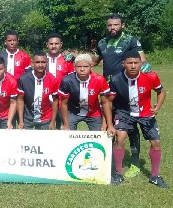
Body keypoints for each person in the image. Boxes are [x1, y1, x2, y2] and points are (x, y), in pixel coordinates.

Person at [92, 13, 152, 178]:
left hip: (128, 89)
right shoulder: (102, 42)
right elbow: (95, 62)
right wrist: (75, 60)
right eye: (110, 25)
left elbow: (142, 60)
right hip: (107, 91)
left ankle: (134, 163)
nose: (112, 28)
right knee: (108, 124)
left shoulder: (131, 40)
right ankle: (108, 160)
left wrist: (146, 66)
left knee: (131, 126)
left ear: (122, 25)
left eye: (116, 25)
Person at [107, 50, 167, 188]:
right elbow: (109, 101)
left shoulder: (151, 76)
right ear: (123, 64)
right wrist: (109, 122)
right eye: (129, 63)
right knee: (120, 138)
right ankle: (118, 173)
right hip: (124, 113)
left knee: (156, 143)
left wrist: (157, 107)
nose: (133, 66)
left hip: (146, 113)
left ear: (141, 63)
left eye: (136, 63)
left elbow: (161, 91)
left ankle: (155, 176)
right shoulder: (116, 79)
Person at [58, 54, 113, 131]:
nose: (82, 69)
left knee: (98, 136)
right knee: (67, 135)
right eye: (79, 66)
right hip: (73, 111)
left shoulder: (99, 80)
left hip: (93, 112)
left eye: (86, 66)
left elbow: (105, 103)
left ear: (91, 66)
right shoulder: (67, 81)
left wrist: (109, 125)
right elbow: (64, 103)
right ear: (74, 66)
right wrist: (66, 125)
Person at [16, 51, 60, 130]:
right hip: (27, 118)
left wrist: (53, 121)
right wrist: (20, 120)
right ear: (32, 63)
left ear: (47, 63)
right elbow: (20, 100)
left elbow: (55, 101)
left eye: (43, 62)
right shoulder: (23, 79)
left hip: (46, 118)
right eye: (37, 62)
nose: (40, 65)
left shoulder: (52, 79)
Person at [46, 33, 75, 129]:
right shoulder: (42, 60)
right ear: (47, 44)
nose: (53, 46)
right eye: (51, 44)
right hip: (45, 100)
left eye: (56, 43)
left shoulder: (67, 60)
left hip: (61, 101)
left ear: (61, 44)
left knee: (62, 128)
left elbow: (72, 80)